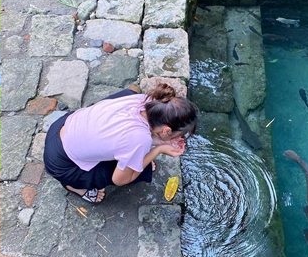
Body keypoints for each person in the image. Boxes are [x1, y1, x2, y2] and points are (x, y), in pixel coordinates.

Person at [43, 83, 198, 203]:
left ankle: (134, 159)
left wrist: (155, 142)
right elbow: (120, 180)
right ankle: (74, 186)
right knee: (137, 172)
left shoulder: (146, 101)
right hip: (60, 163)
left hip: (61, 126)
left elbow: (131, 134)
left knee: (127, 94)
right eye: (177, 135)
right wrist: (157, 150)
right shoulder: (139, 139)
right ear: (166, 130)